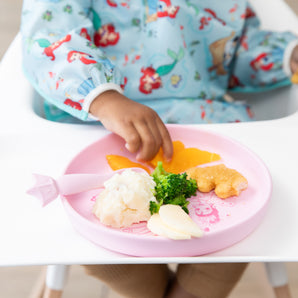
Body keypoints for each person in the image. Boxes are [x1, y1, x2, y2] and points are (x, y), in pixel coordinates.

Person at [21, 0, 297, 297]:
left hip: (203, 119)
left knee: (243, 222)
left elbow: (229, 51)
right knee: (94, 231)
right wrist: (103, 98)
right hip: (97, 116)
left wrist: (284, 56)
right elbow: (50, 36)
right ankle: (147, 290)